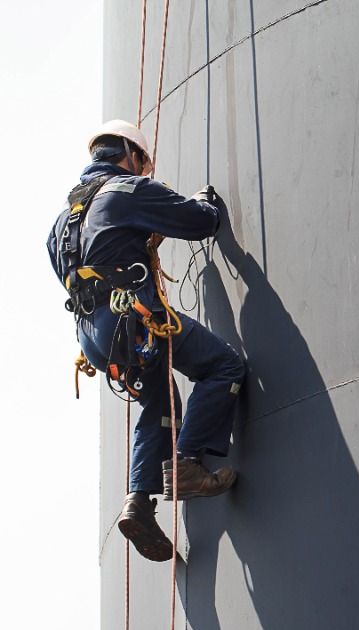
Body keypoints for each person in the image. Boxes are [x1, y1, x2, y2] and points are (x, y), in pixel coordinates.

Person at [47, 119, 245, 562]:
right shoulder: (126, 191)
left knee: (161, 403)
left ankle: (138, 503)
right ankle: (187, 463)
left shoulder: (62, 222)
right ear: (129, 154)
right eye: (144, 163)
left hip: (97, 339)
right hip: (134, 320)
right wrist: (205, 202)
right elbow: (200, 222)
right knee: (224, 366)